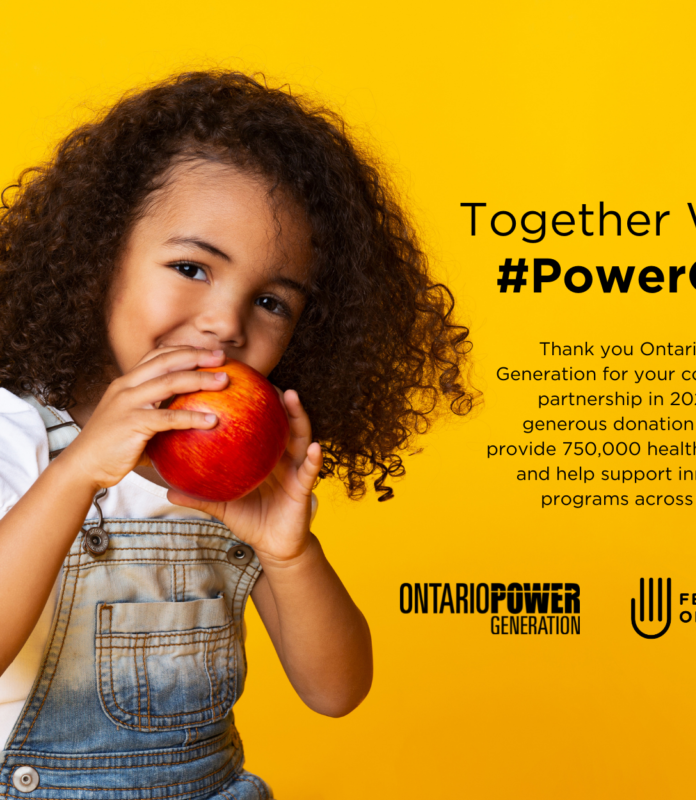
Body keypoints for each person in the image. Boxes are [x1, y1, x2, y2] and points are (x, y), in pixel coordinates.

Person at [0, 71, 474, 797]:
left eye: (271, 302)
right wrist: (78, 474)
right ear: (101, 257)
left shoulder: (238, 479)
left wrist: (290, 553)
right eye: (192, 267)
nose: (226, 323)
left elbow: (337, 689)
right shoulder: (20, 431)